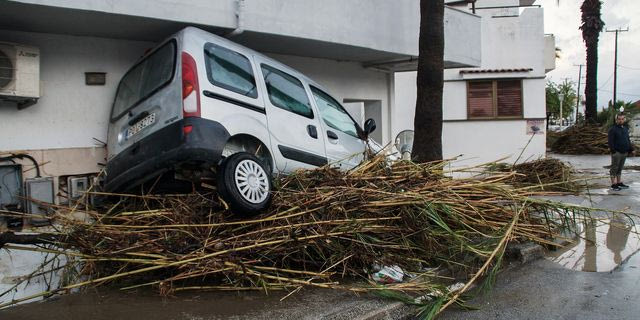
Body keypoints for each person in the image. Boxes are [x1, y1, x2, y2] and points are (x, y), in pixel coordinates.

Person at [607, 113, 634, 191]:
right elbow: (610, 141)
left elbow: (627, 139)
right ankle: (613, 184)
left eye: (622, 119)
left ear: (624, 119)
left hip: (624, 152)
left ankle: (619, 182)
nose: (621, 120)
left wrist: (631, 149)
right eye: (619, 119)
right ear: (616, 120)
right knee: (614, 168)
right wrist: (613, 151)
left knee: (620, 168)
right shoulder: (613, 129)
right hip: (617, 152)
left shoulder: (625, 129)